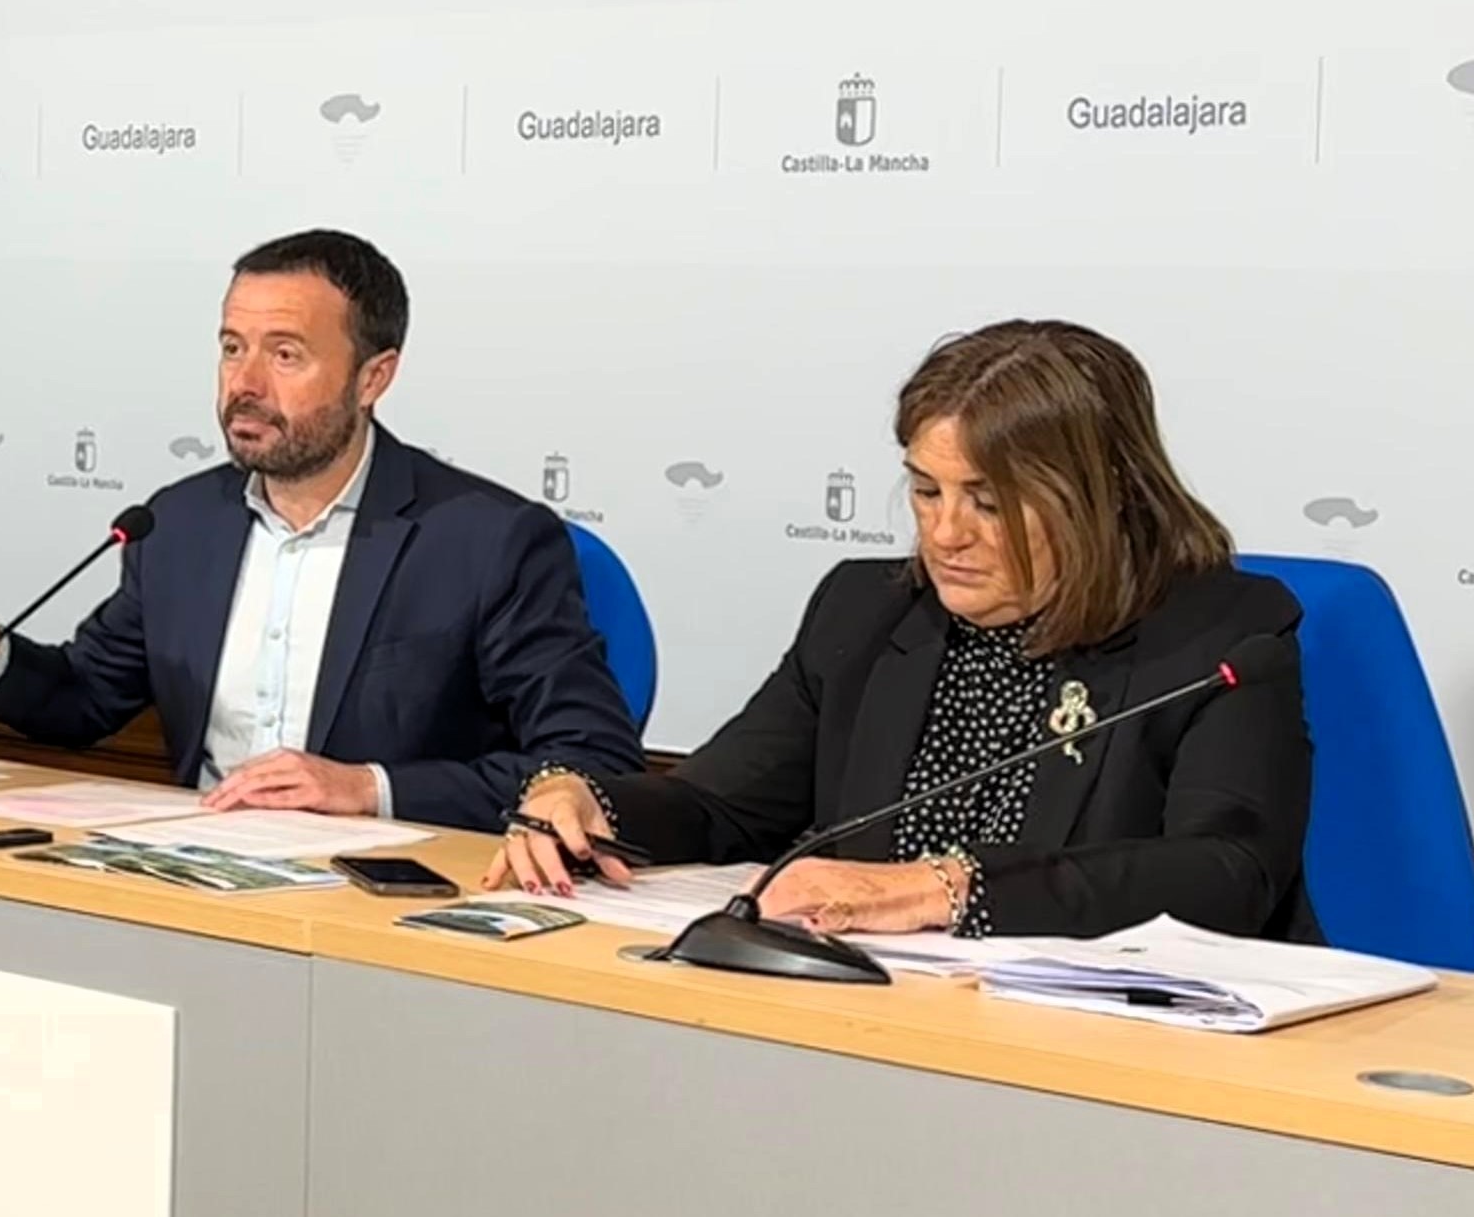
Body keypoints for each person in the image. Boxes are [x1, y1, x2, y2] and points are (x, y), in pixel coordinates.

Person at [490, 319, 1313, 940]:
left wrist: (943, 888)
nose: (946, 533)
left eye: (989, 502)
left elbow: (1227, 871)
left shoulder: (1221, 636)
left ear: (1099, 499)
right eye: (926, 491)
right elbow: (720, 805)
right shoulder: (868, 609)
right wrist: (589, 804)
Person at [0, 230, 641, 827]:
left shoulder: (486, 541)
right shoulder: (181, 523)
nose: (245, 384)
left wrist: (367, 788)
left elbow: (591, 758)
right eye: (233, 348)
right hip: (194, 871)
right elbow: (87, 697)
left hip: (379, 895)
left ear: (373, 377)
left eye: (285, 354)